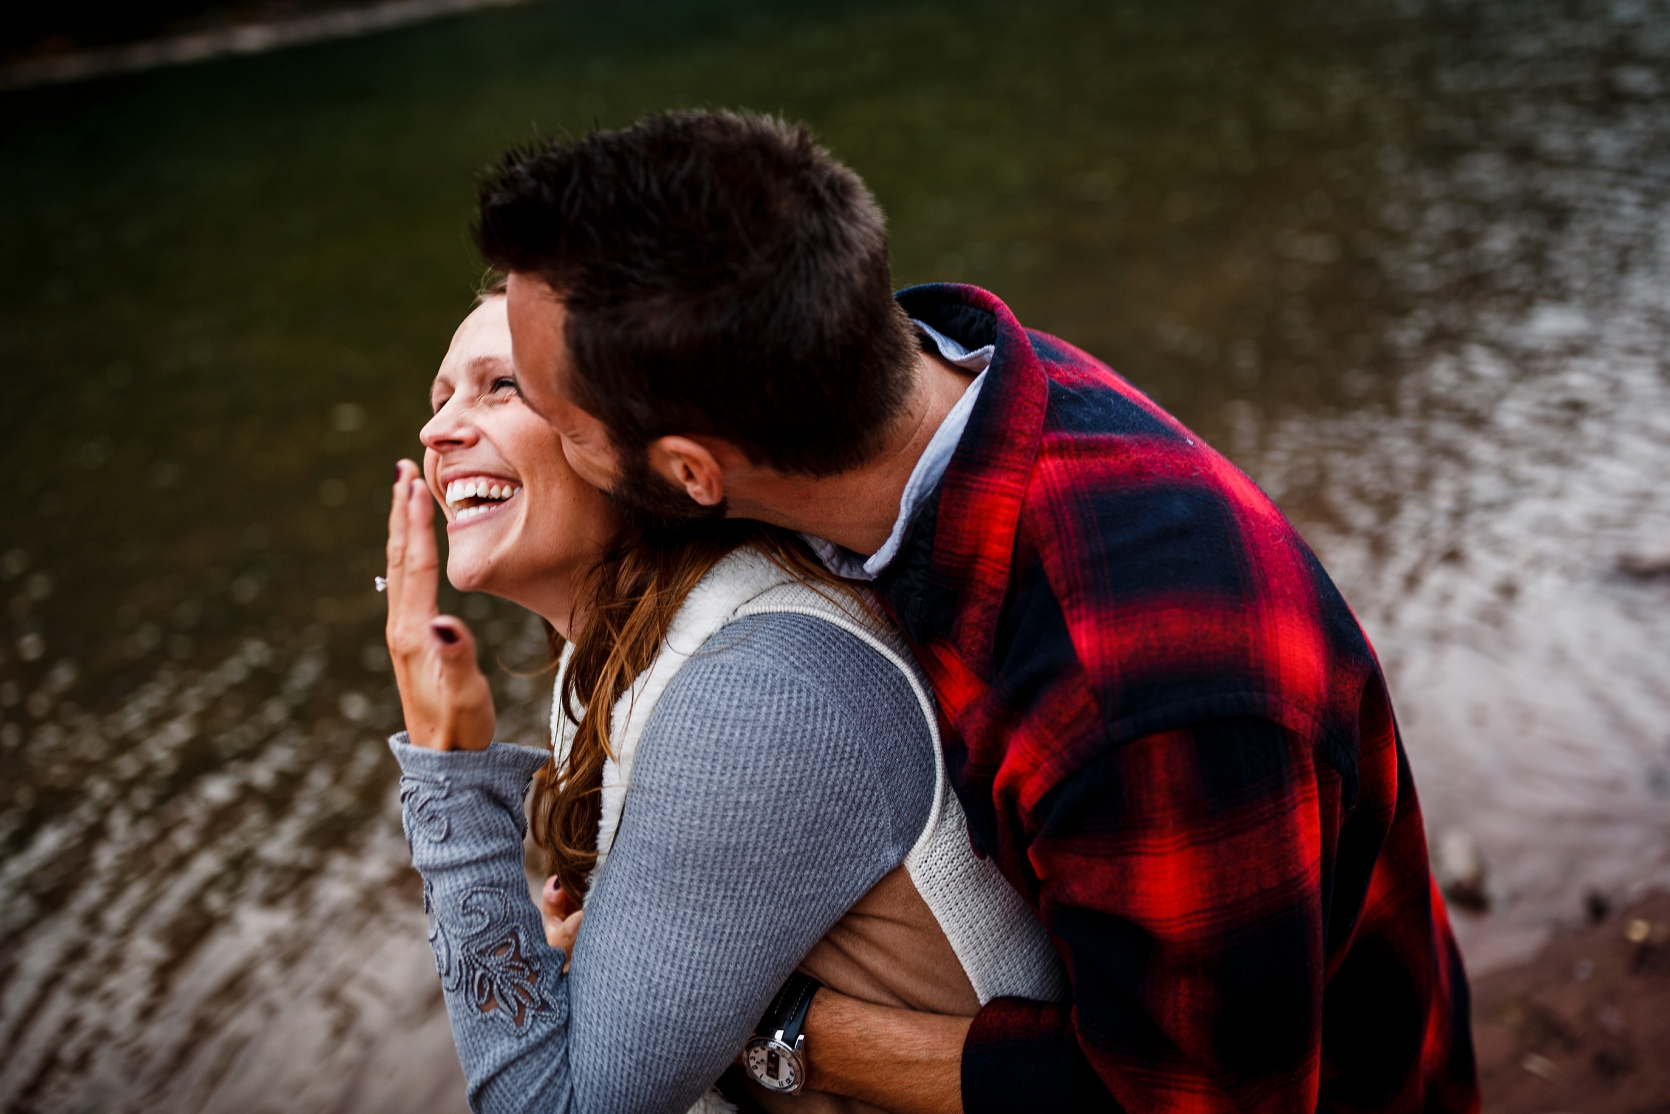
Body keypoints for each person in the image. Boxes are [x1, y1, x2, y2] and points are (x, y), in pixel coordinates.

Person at [472, 109, 1482, 1113]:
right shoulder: (952, 374)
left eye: (555, 419)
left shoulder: (1135, 689)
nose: (535, 438)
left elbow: (1182, 1102)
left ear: (691, 469)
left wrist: (781, 1028)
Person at [381, 289, 1067, 1114]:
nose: (436, 429)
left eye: (502, 387)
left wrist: (448, 771)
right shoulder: (610, 660)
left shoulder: (757, 691)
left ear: (625, 442)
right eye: (441, 396)